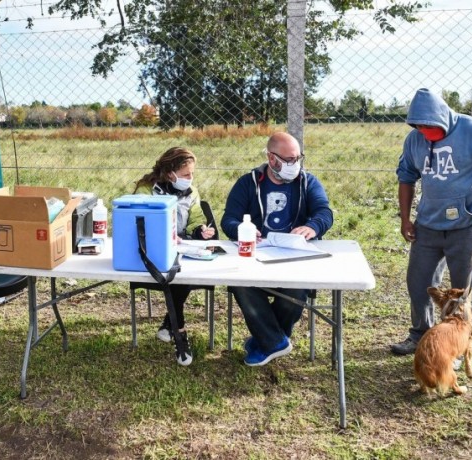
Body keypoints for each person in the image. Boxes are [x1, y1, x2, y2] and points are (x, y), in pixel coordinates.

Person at [390, 88, 472, 356]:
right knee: (419, 284)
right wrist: (406, 219)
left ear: (443, 116)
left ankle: (457, 347)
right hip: (428, 226)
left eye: (430, 125)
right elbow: (406, 177)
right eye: (419, 126)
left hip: (468, 225)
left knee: (463, 290)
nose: (425, 131)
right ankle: (420, 335)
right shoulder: (414, 140)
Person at [221, 132, 333, 366]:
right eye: (289, 160)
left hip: (295, 259)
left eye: (298, 158)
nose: (296, 165)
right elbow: (228, 220)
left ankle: (267, 340)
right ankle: (274, 341)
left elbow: (325, 212)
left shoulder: (308, 182)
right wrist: (244, 229)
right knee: (239, 283)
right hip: (256, 258)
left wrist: (312, 227)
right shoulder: (248, 183)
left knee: (295, 291)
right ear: (272, 159)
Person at [133, 146, 216, 365]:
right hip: (151, 250)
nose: (191, 178)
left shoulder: (192, 192)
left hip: (181, 247)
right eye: (186, 174)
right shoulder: (146, 189)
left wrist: (201, 230)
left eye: (192, 174)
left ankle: (170, 324)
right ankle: (180, 334)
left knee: (181, 275)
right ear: (171, 173)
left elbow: (197, 216)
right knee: (177, 277)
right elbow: (138, 219)